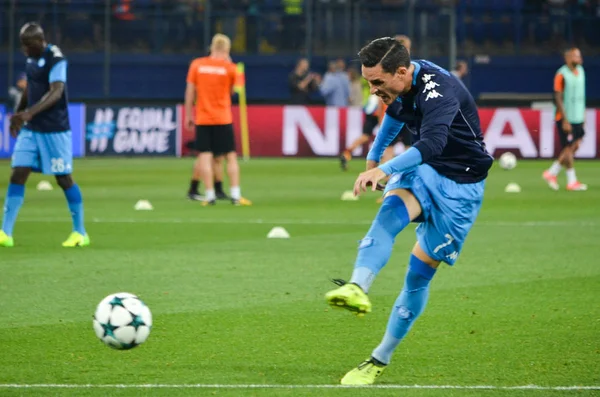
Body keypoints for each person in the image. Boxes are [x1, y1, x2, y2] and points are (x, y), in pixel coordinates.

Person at [325, 37, 493, 385]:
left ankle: (379, 358)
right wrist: (374, 157)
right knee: (388, 214)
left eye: (377, 82)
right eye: (368, 80)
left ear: (401, 72)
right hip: (424, 171)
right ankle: (357, 286)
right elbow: (393, 117)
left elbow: (432, 143)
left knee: (418, 274)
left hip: (461, 186)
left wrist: (384, 170)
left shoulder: (440, 91)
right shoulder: (400, 86)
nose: (372, 90)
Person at [0, 23, 89, 248]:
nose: (25, 51)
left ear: (40, 42)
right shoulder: (31, 58)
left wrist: (29, 113)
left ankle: (80, 232)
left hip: (55, 130)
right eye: (23, 46)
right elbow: (30, 88)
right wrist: (19, 114)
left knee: (63, 178)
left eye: (28, 46)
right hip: (32, 130)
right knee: (18, 173)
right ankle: (5, 233)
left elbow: (56, 91)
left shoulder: (56, 59)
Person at [185, 33, 251, 206]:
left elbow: (190, 92)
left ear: (211, 47)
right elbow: (237, 89)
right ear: (227, 49)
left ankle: (209, 195)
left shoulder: (197, 65)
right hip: (223, 117)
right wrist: (231, 67)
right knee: (230, 156)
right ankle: (236, 196)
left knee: (205, 156)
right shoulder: (230, 68)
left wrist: (188, 115)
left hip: (203, 118)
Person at [542, 47, 587, 191]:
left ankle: (552, 172)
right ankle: (571, 181)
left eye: (579, 55)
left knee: (576, 145)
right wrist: (565, 119)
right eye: (575, 56)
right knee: (568, 148)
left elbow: (581, 96)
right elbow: (558, 97)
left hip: (578, 116)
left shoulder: (581, 72)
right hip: (565, 117)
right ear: (568, 58)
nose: (579, 58)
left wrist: (583, 115)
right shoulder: (561, 74)